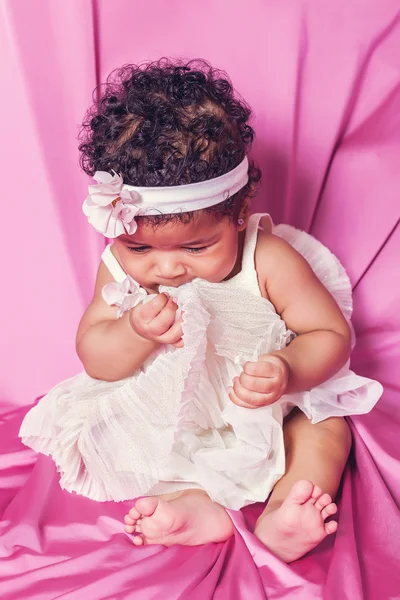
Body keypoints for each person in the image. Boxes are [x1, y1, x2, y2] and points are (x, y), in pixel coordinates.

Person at [19, 59, 382, 563]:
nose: (166, 269)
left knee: (325, 430)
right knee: (152, 449)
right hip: (174, 413)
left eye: (194, 248)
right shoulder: (120, 268)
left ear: (237, 217)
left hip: (268, 408)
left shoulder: (268, 259)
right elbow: (95, 356)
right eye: (140, 250)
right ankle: (200, 508)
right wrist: (132, 330)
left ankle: (285, 511)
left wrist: (288, 368)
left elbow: (328, 332)